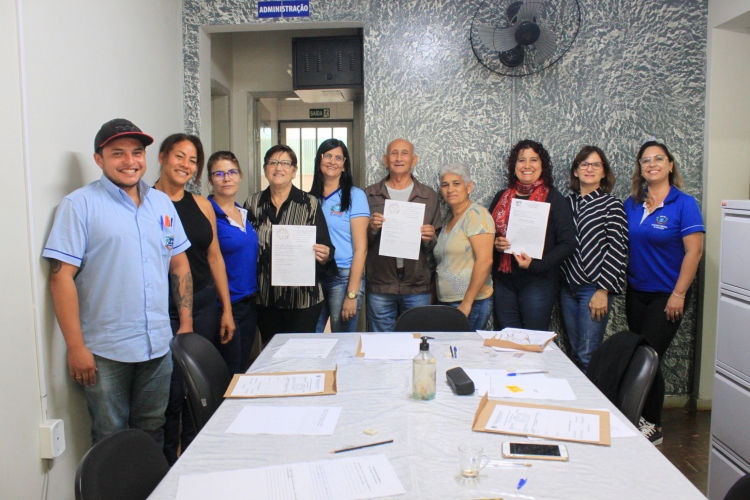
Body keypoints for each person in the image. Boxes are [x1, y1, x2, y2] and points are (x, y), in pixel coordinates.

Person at [44, 119, 193, 446]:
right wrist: (76, 347)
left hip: (157, 345)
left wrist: (185, 323)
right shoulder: (79, 205)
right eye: (118, 153)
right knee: (110, 437)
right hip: (104, 351)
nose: (130, 161)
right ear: (99, 159)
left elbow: (178, 263)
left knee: (151, 431)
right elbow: (61, 278)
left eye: (137, 153)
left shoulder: (161, 203)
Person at [153, 134, 235, 465]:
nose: (186, 165)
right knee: (170, 393)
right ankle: (168, 461)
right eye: (179, 157)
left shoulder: (202, 204)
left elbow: (215, 257)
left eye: (193, 161)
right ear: (162, 157)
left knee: (197, 389)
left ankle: (194, 454)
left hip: (203, 304)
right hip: (165, 310)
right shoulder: (146, 202)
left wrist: (226, 309)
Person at [624, 140, 704, 445]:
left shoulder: (684, 204)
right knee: (642, 356)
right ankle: (642, 416)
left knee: (649, 356)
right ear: (640, 169)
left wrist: (679, 294)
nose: (652, 164)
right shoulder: (632, 204)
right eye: (646, 160)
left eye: (659, 159)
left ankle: (653, 424)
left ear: (670, 165)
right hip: (637, 293)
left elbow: (693, 253)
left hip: (667, 295)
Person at [245, 145, 336, 344]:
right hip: (265, 298)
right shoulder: (252, 203)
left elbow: (326, 246)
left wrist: (325, 253)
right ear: (265, 168)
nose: (279, 168)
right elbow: (246, 245)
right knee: (271, 352)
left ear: (294, 171)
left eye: (285, 163)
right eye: (273, 162)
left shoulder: (309, 203)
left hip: (303, 299)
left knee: (300, 353)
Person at [490, 139, 576, 331]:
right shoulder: (501, 197)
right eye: (521, 160)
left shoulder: (554, 198)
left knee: (533, 341)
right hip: (504, 282)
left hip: (539, 283)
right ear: (514, 166)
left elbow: (568, 243)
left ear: (542, 165)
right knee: (508, 342)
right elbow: (486, 238)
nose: (527, 165)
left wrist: (537, 265)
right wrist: (496, 244)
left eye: (534, 160)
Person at [560, 146, 628, 372]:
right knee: (575, 349)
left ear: (603, 172)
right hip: (567, 287)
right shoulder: (565, 204)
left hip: (594, 288)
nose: (590, 169)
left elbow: (617, 250)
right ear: (576, 172)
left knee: (588, 354)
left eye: (596, 165)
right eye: (584, 164)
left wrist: (603, 291)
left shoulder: (612, 205)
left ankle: (594, 405)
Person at [364, 139, 442, 332]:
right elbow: (359, 242)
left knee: (417, 343)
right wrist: (372, 228)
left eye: (405, 153)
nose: (399, 158)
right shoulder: (369, 194)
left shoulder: (429, 195)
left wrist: (430, 237)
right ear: (385, 159)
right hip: (380, 284)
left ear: (414, 160)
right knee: (381, 344)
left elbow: (437, 246)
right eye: (394, 153)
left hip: (417, 285)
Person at [308, 139, 370, 332]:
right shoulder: (309, 199)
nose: (332, 161)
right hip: (315, 277)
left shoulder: (355, 196)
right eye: (327, 156)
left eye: (338, 157)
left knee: (342, 339)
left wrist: (352, 295)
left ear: (344, 165)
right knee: (311, 336)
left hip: (343, 277)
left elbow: (361, 249)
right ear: (319, 160)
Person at [207, 151, 259, 372]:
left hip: (250, 302)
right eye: (219, 173)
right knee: (229, 371)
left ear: (240, 176)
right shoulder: (208, 213)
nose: (226, 178)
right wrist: (226, 311)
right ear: (210, 180)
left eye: (231, 172)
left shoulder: (245, 212)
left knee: (243, 366)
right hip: (225, 306)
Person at [434, 163, 495, 330]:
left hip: (470, 303)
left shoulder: (477, 215)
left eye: (456, 183)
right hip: (448, 302)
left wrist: (467, 304)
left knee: (464, 354)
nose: (450, 189)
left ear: (469, 187)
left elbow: (485, 261)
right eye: (445, 185)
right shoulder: (449, 219)